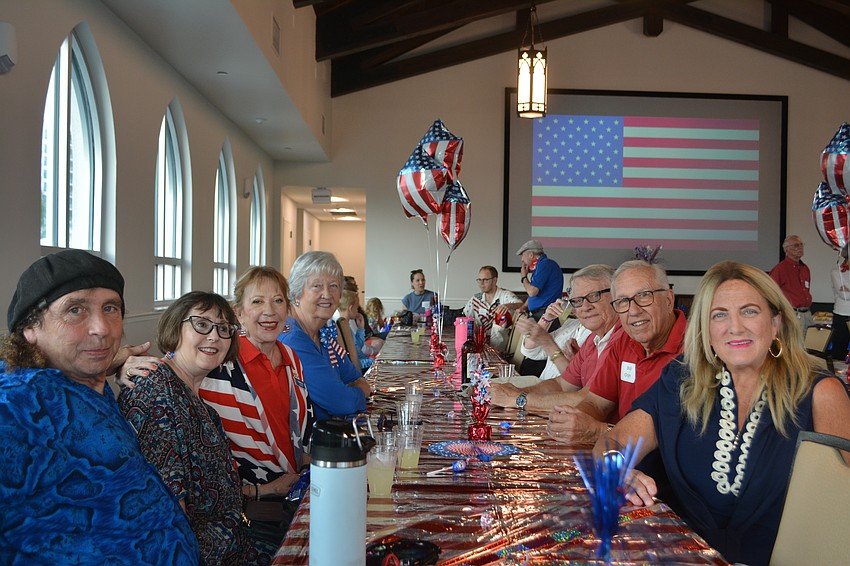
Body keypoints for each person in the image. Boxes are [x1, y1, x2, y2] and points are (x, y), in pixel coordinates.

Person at [600, 261, 850, 566]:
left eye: (749, 311)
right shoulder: (681, 382)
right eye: (719, 315)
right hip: (681, 556)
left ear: (775, 323)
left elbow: (839, 516)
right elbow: (612, 442)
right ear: (706, 328)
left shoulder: (820, 394)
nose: (735, 327)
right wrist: (620, 472)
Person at [0, 250, 199, 564]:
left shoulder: (82, 383)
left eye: (111, 308)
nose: (102, 328)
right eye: (75, 309)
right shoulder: (14, 406)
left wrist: (113, 365)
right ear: (30, 328)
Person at [118, 291, 276, 565]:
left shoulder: (196, 400)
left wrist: (269, 490)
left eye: (224, 329)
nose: (214, 336)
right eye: (202, 325)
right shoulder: (157, 392)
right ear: (175, 328)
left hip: (234, 542)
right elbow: (166, 519)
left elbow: (211, 492)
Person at [548, 260, 685, 442]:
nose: (633, 311)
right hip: (616, 454)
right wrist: (574, 421)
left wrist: (600, 431)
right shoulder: (625, 341)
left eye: (644, 296)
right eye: (623, 301)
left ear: (668, 300)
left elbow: (680, 438)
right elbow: (596, 402)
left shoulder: (697, 351)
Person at [491, 264, 620, 413]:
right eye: (577, 300)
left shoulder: (621, 339)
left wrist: (517, 398)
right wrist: (513, 392)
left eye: (594, 296)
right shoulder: (594, 338)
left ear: (618, 295)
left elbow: (589, 400)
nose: (585, 307)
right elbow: (562, 383)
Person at [279, 251, 371, 421]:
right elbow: (342, 403)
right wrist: (360, 391)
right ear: (297, 292)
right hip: (308, 444)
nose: (327, 294)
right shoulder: (293, 340)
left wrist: (350, 390)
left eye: (334, 286)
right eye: (317, 286)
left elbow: (354, 376)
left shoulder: (322, 334)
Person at [517, 298, 588, 378]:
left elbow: (579, 382)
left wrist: (548, 342)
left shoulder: (599, 335)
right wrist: (546, 319)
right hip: (543, 385)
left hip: (561, 389)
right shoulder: (572, 324)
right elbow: (531, 351)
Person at [463, 266, 523, 350]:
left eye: (485, 280)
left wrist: (509, 305)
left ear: (494, 280)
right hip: (478, 346)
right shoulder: (475, 299)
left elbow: (522, 305)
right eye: (479, 280)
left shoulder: (505, 295)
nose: (481, 284)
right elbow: (464, 317)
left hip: (501, 348)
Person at [515, 239, 564, 326]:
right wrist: (523, 307)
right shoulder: (541, 266)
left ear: (531, 255)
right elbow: (534, 295)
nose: (522, 260)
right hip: (540, 314)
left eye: (523, 255)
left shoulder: (544, 265)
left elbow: (532, 292)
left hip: (545, 315)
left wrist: (523, 277)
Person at [769, 235, 812, 332]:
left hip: (807, 313)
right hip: (792, 314)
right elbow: (770, 292)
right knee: (793, 344)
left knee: (808, 345)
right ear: (786, 250)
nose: (800, 247)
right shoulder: (780, 269)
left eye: (801, 244)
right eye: (796, 245)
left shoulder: (805, 268)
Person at [339, 289, 380, 371]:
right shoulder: (342, 330)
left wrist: (361, 329)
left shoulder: (347, 325)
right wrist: (374, 361)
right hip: (361, 369)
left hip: (364, 363)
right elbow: (354, 363)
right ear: (350, 308)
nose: (357, 311)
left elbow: (358, 346)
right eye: (357, 308)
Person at [830, 253, 850, 359]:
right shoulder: (836, 272)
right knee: (839, 351)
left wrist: (848, 289)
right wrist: (846, 292)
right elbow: (844, 295)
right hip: (841, 316)